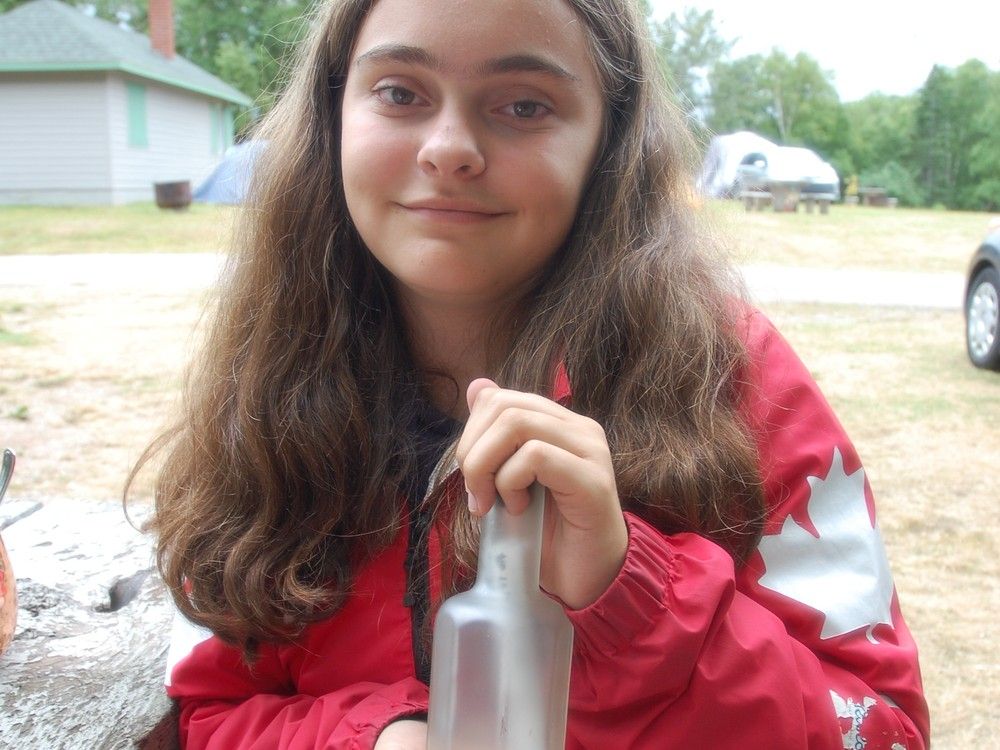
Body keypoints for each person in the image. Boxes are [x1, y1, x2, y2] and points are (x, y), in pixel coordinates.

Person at [132, 0, 929, 747]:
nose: (448, 147)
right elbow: (212, 709)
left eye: (523, 105)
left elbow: (881, 728)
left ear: (609, 144)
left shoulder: (735, 379)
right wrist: (374, 739)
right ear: (333, 113)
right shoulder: (269, 379)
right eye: (400, 91)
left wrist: (631, 599)